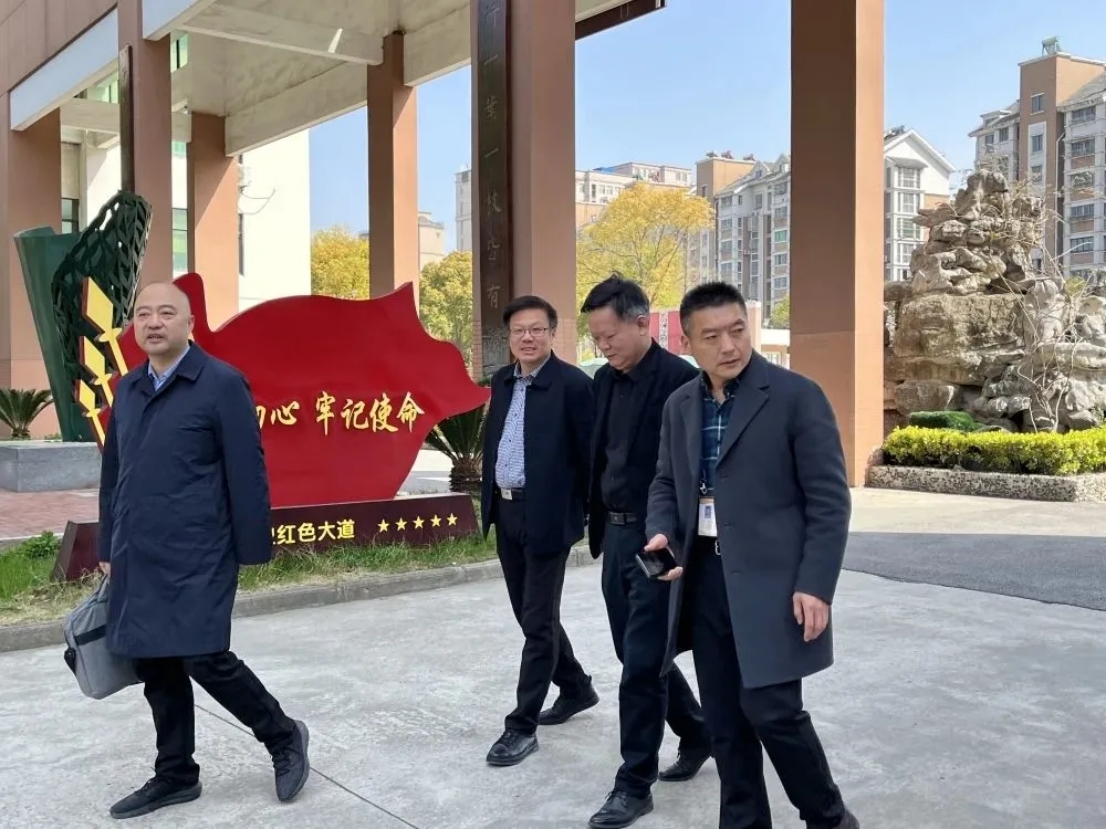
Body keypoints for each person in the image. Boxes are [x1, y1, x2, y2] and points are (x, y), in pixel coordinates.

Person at [643, 282, 859, 829]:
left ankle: (829, 818)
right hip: (704, 577)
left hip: (775, 582)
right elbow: (666, 481)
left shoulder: (795, 396)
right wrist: (660, 530)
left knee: (772, 709)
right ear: (688, 342)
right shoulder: (680, 405)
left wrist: (816, 583)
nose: (729, 345)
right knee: (724, 719)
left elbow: (829, 500)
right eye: (712, 336)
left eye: (737, 330)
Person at [97, 281, 310, 820]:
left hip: (200, 551)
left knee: (203, 655)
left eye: (166, 313)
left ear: (189, 324)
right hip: (138, 551)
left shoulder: (220, 383)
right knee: (153, 661)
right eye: (143, 314)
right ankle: (176, 774)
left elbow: (247, 471)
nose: (153, 322)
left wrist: (251, 548)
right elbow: (113, 474)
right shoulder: (128, 388)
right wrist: (108, 544)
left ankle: (282, 735)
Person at [579, 275, 713, 829]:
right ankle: (698, 731)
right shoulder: (604, 382)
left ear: (641, 323)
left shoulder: (682, 383)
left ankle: (635, 782)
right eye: (596, 337)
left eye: (609, 335)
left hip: (660, 542)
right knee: (632, 652)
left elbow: (692, 473)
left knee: (641, 664)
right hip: (616, 539)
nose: (602, 345)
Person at [480, 295, 598, 767]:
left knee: (537, 622)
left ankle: (521, 726)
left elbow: (590, 458)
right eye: (518, 331)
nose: (526, 338)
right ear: (509, 337)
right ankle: (576, 686)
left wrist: (582, 516)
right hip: (506, 512)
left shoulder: (574, 385)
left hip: (548, 517)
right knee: (532, 616)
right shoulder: (502, 381)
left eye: (536, 329)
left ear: (552, 333)